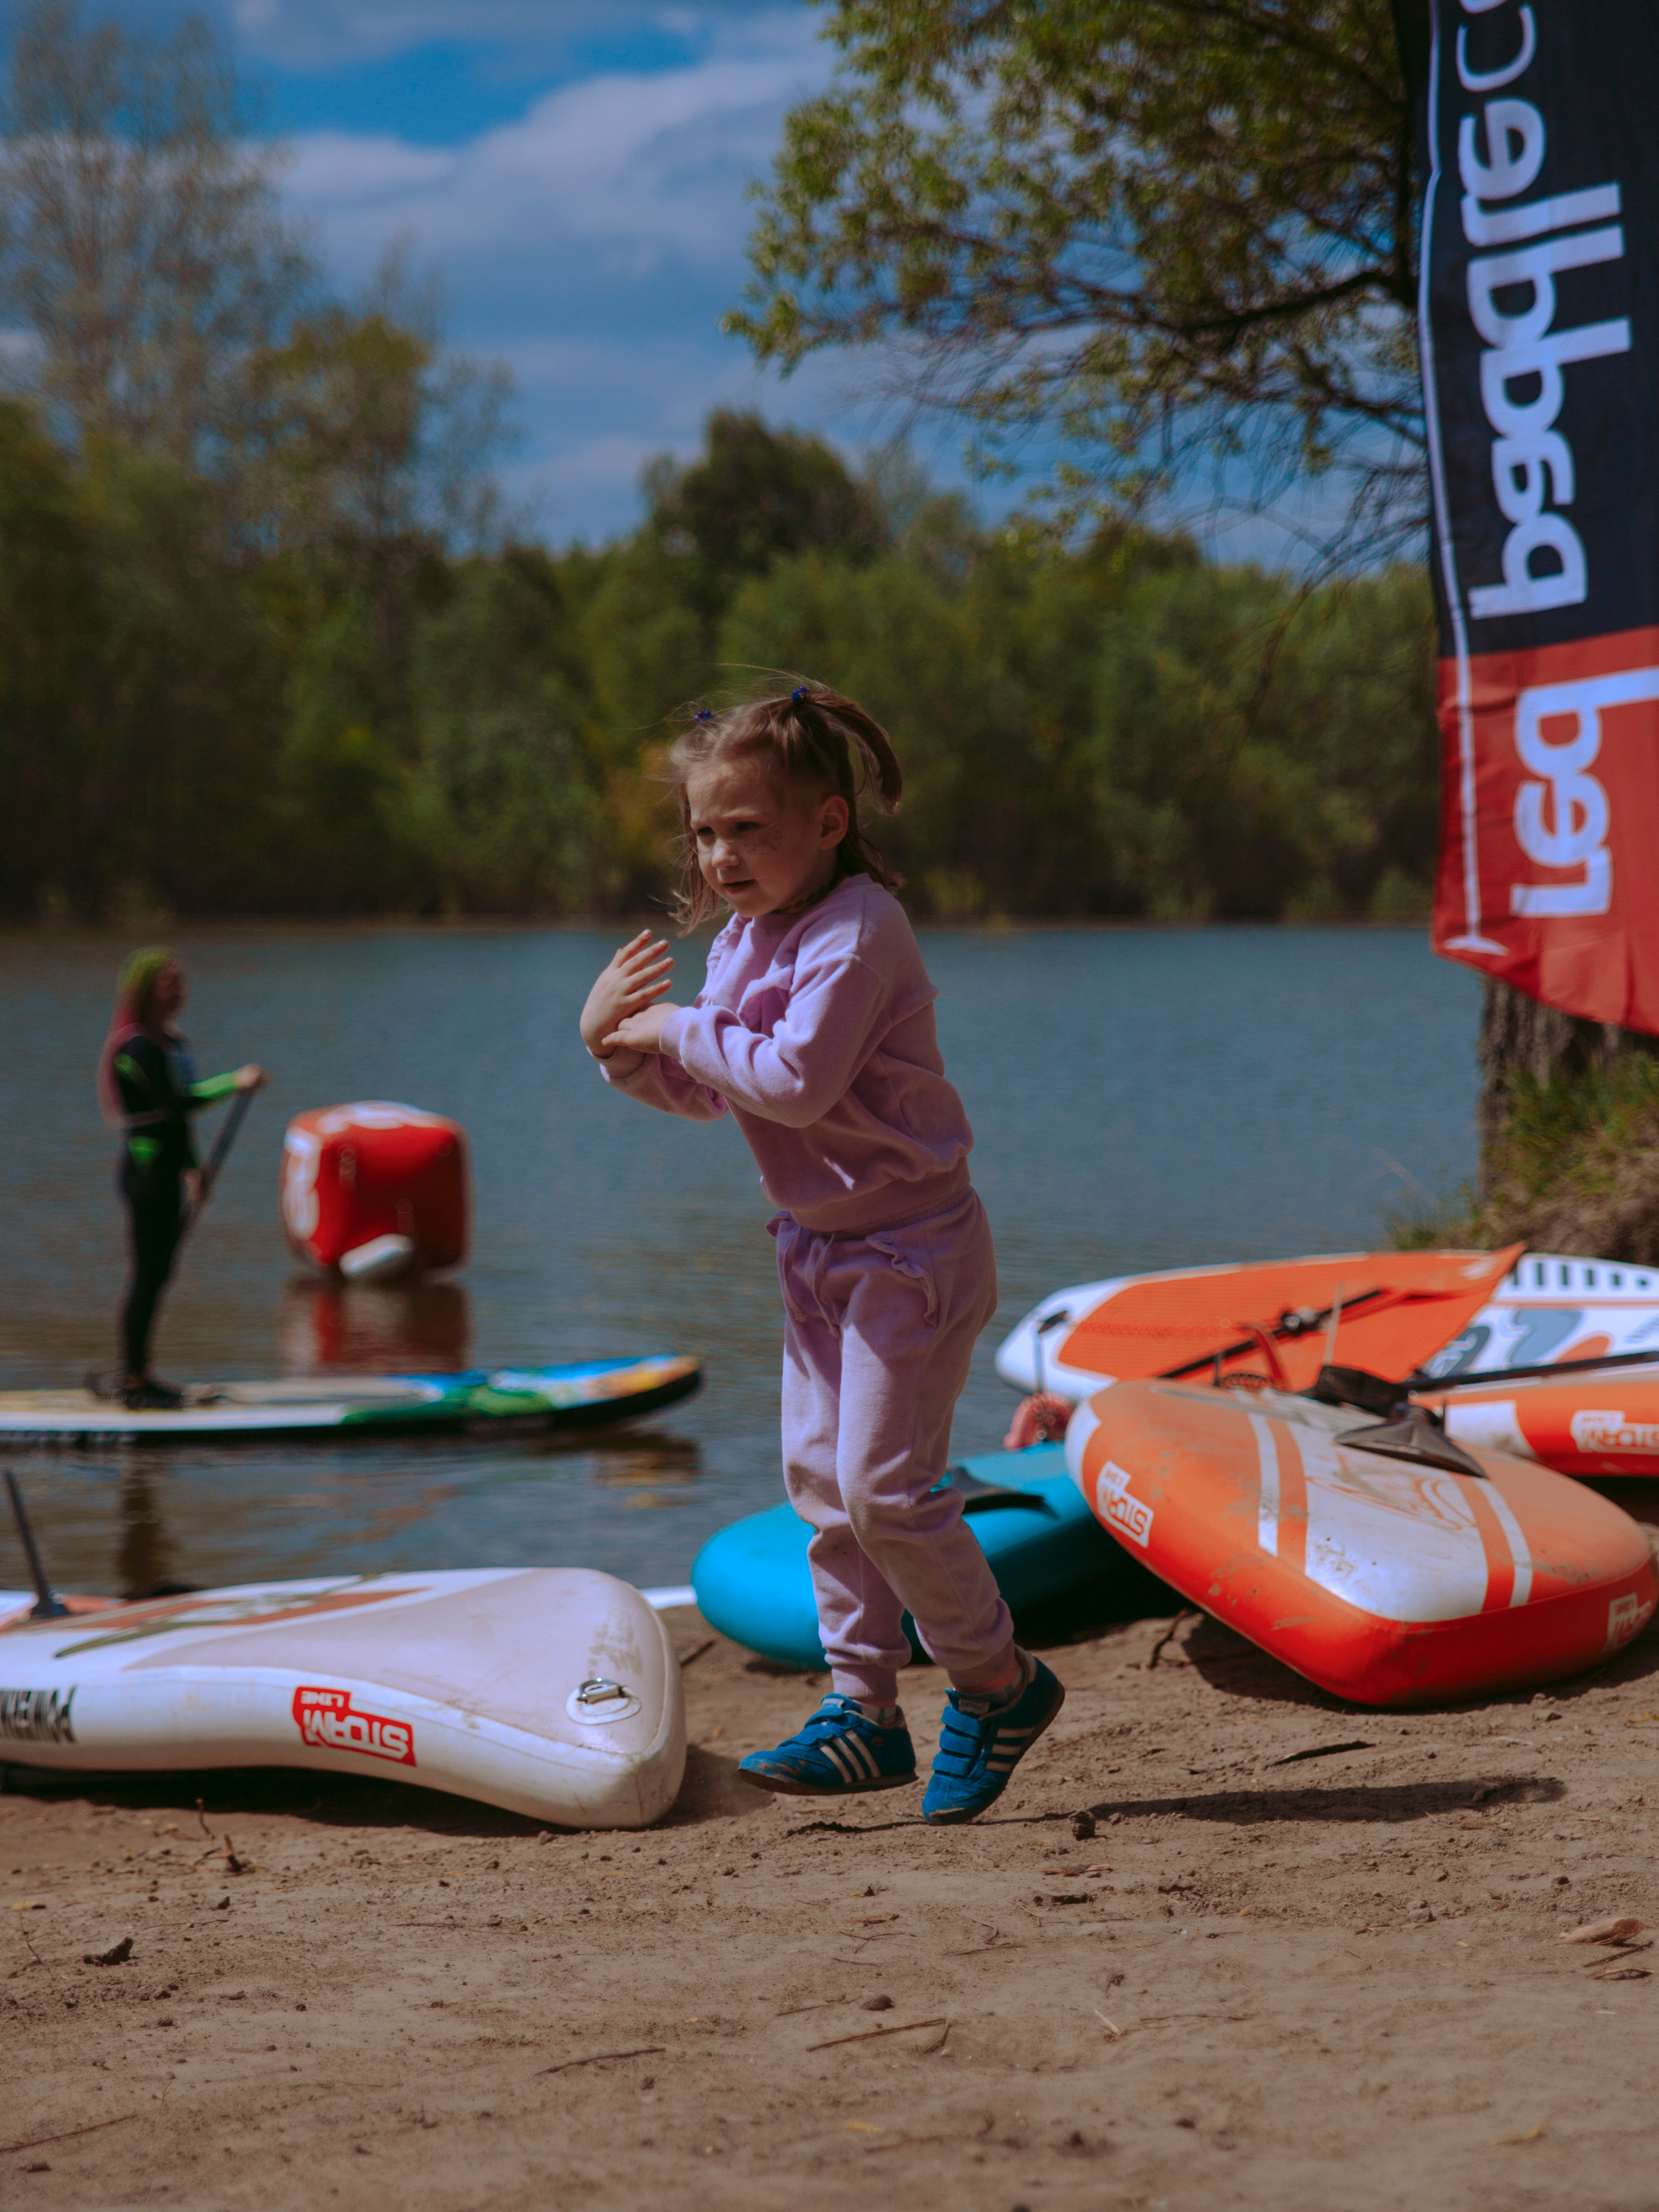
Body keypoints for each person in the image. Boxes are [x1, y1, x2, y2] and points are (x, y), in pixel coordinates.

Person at [579, 684, 1064, 1825]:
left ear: (830, 822)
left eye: (748, 827)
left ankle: (999, 1685)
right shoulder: (749, 937)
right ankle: (866, 1713)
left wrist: (671, 1027)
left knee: (886, 1490)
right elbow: (714, 1083)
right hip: (818, 1252)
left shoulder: (861, 931)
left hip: (913, 1251)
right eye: (705, 832)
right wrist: (609, 1041)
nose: (721, 855)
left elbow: (794, 1079)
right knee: (824, 1492)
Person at [95, 948, 266, 1410]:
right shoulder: (136, 1047)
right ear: (146, 989)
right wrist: (234, 1082)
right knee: (148, 1274)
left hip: (169, 1168)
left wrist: (194, 1169)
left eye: (182, 980)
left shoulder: (173, 1042)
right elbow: (174, 1103)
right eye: (170, 981)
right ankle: (133, 1379)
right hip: (146, 1172)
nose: (180, 989)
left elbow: (179, 1122)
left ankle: (139, 1373)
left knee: (160, 1272)